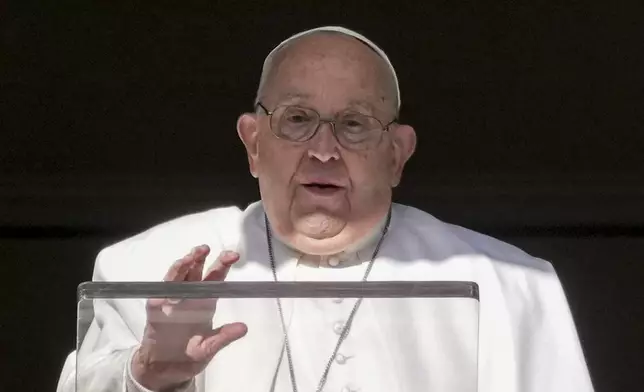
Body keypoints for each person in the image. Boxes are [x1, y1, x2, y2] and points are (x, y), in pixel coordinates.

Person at [56, 26, 594, 392]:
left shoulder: (510, 286)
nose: (323, 150)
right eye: (296, 119)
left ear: (397, 154)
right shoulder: (144, 270)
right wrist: (150, 374)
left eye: (354, 124)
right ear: (253, 143)